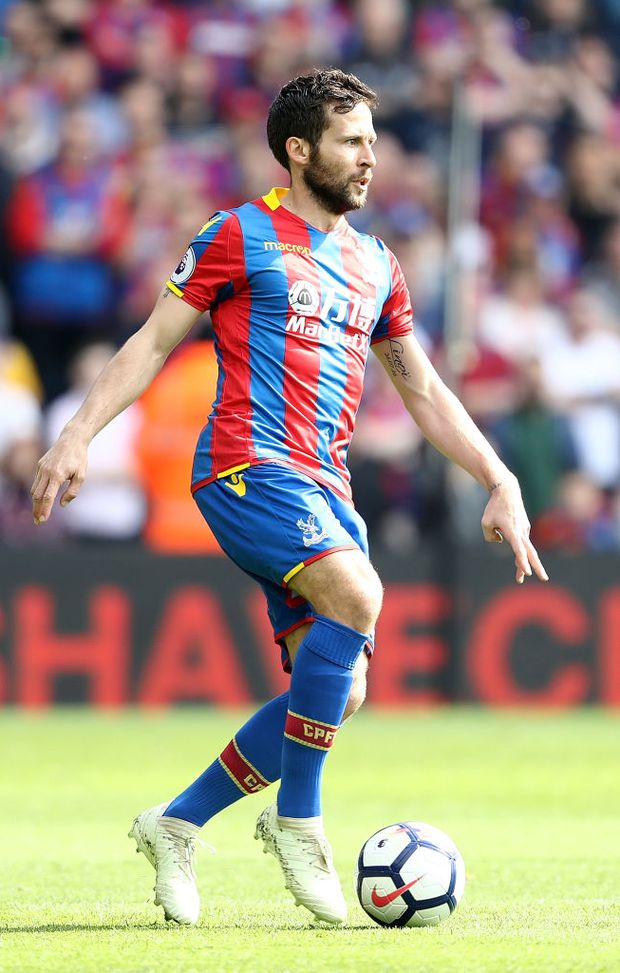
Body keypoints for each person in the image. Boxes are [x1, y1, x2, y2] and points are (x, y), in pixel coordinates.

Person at [31, 69, 548, 928]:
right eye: (352, 141)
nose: (370, 158)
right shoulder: (238, 233)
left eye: (374, 143)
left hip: (325, 483)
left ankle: (177, 821)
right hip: (245, 464)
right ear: (301, 150)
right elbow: (153, 342)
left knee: (340, 692)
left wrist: (499, 477)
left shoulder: (376, 262)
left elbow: (422, 388)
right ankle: (299, 817)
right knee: (360, 593)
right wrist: (78, 431)